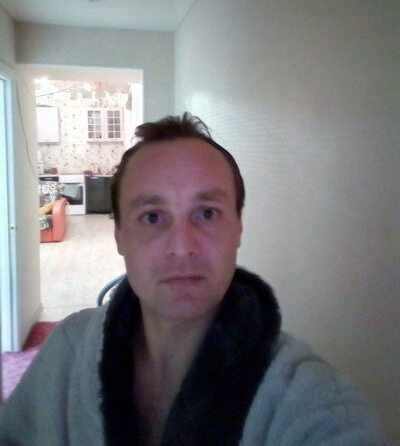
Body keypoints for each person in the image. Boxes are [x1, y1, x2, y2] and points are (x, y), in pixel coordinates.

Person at [0, 113, 389, 446]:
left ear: (238, 228)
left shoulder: (316, 403)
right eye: (152, 216)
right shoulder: (67, 350)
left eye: (206, 213)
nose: (182, 247)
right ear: (119, 236)